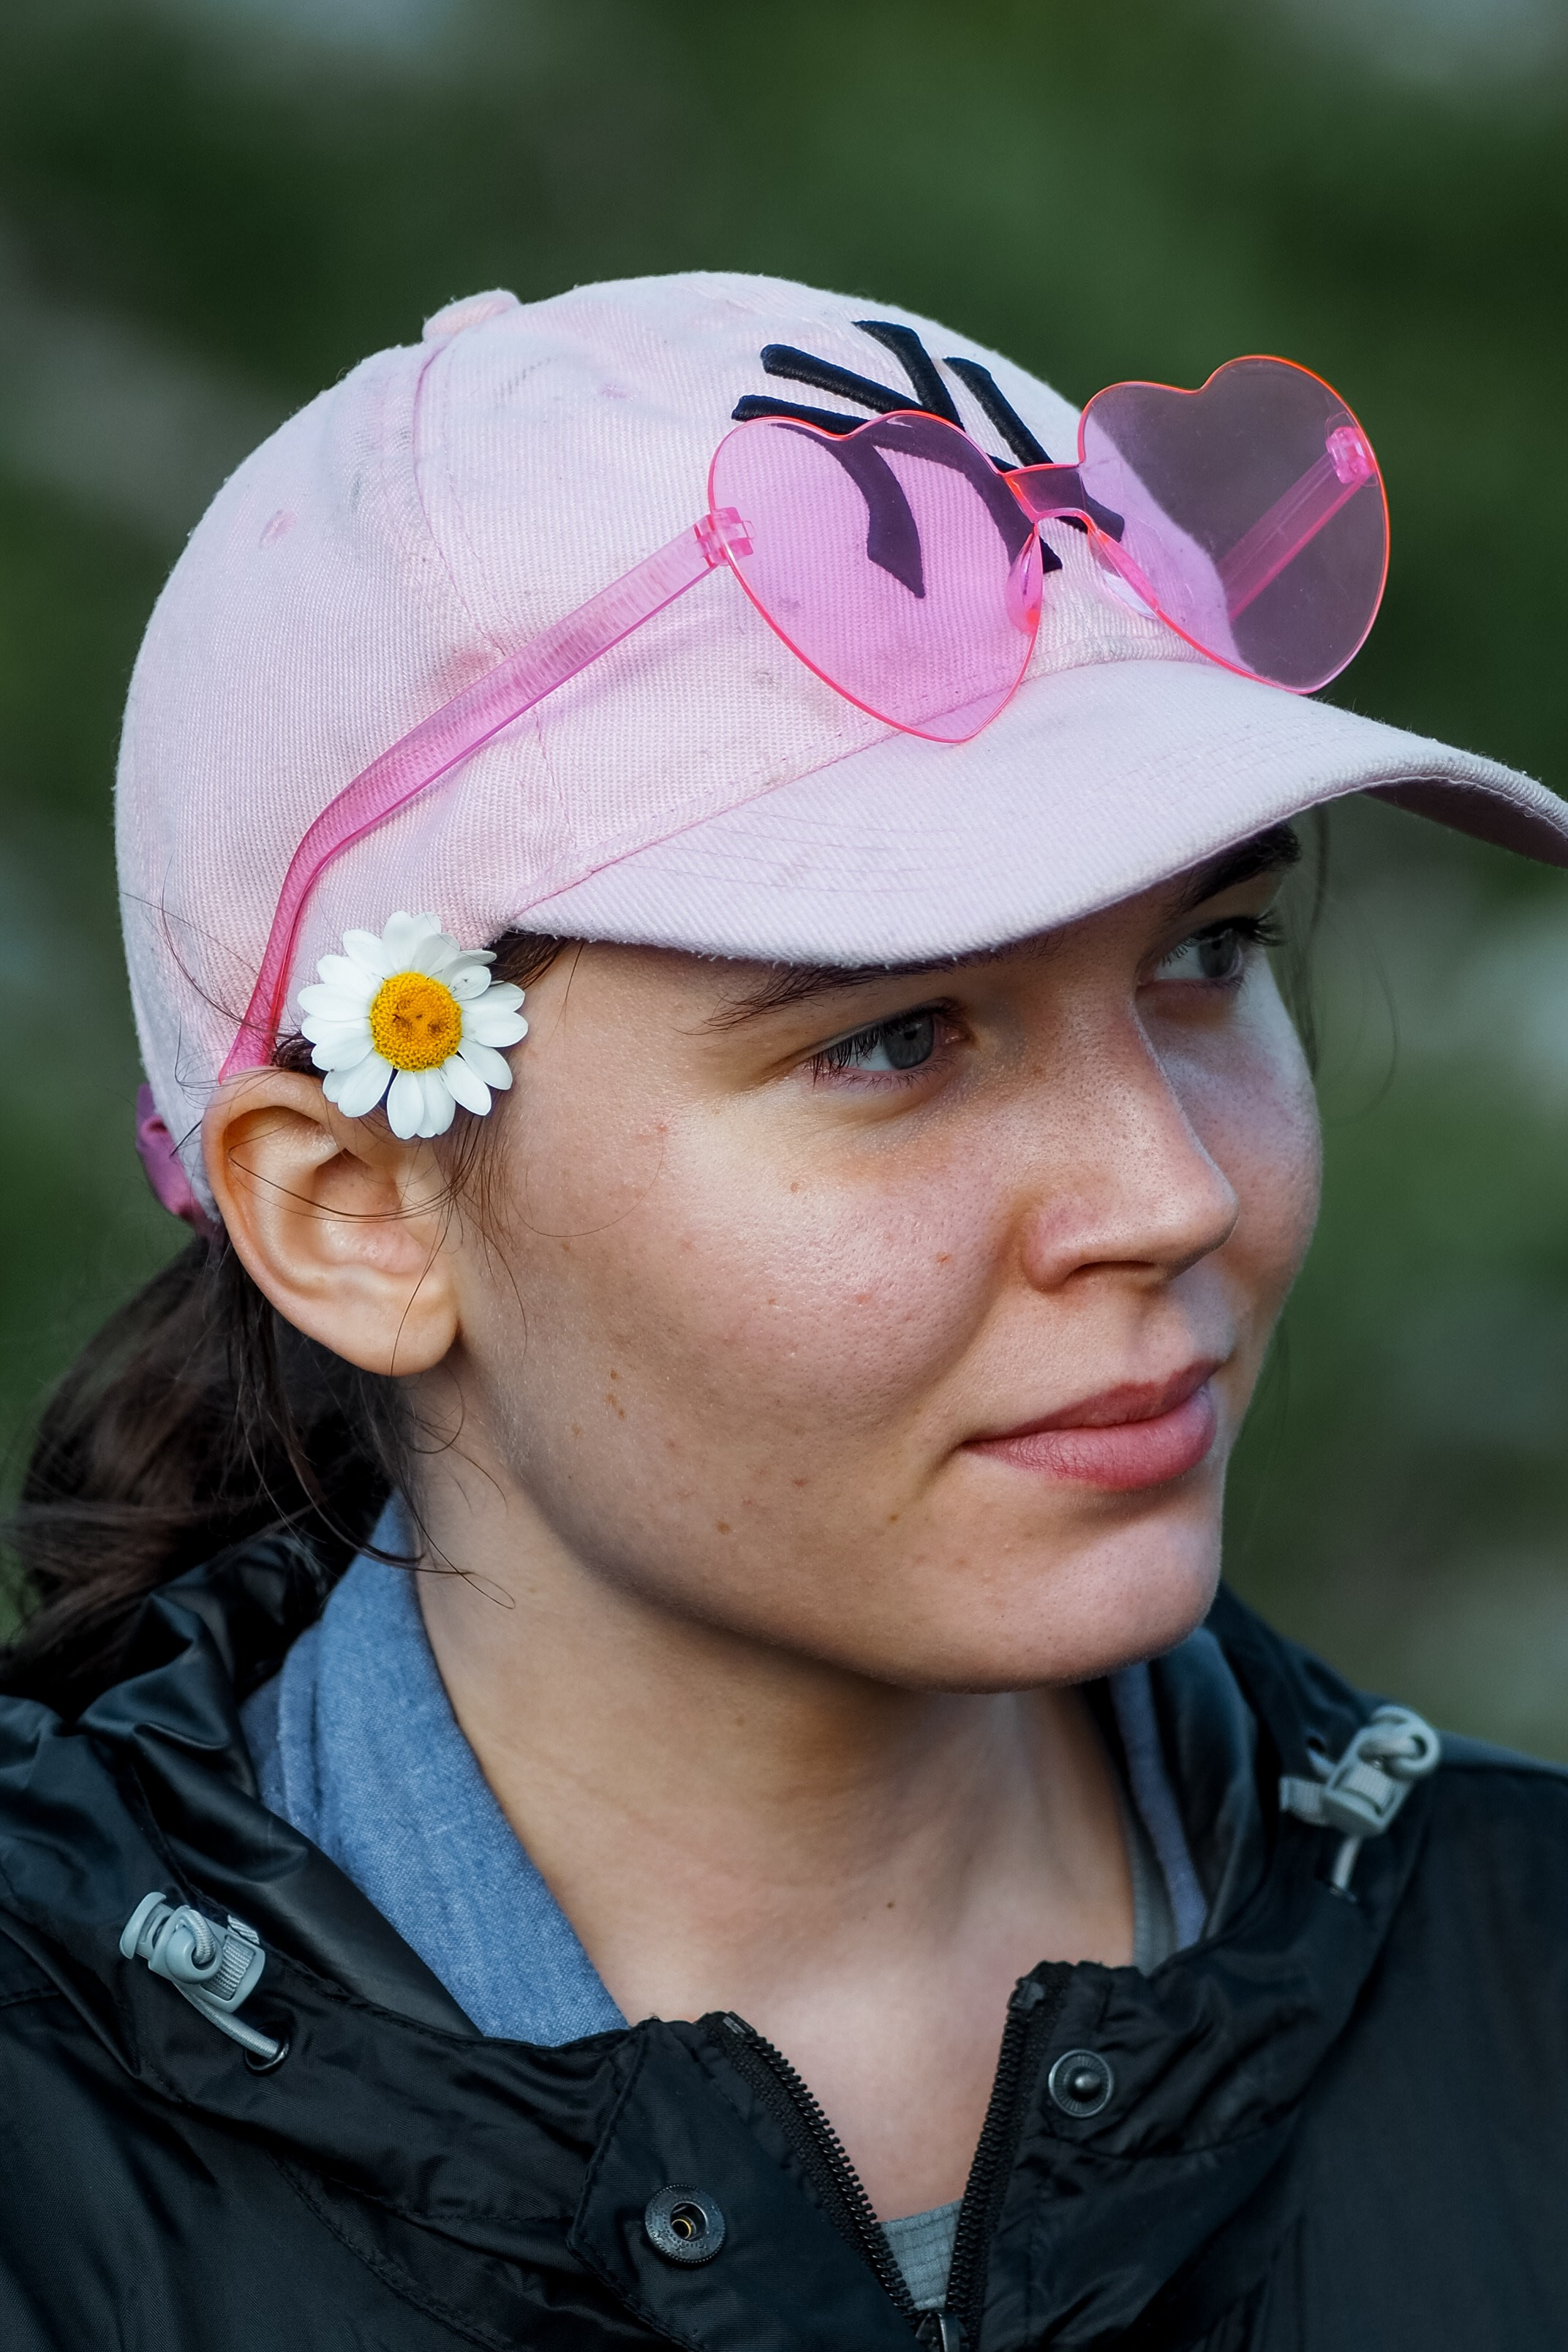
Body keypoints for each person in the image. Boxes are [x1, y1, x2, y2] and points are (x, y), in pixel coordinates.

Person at [2, 274, 1567, 2352]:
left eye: (1207, 950)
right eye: (899, 1038)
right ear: (364, 1211)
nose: (1174, 1195)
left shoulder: (1525, 1982)